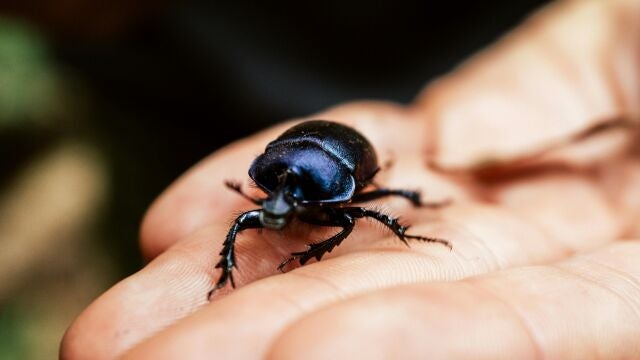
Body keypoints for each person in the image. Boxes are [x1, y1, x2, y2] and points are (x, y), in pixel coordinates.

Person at [60, 0, 640, 358]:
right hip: (173, 62)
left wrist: (406, 215)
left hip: (450, 48)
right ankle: (216, 287)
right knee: (183, 258)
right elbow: (251, 214)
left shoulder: (342, 195)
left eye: (283, 203)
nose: (278, 213)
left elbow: (368, 209)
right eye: (274, 198)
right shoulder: (270, 186)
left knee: (377, 207)